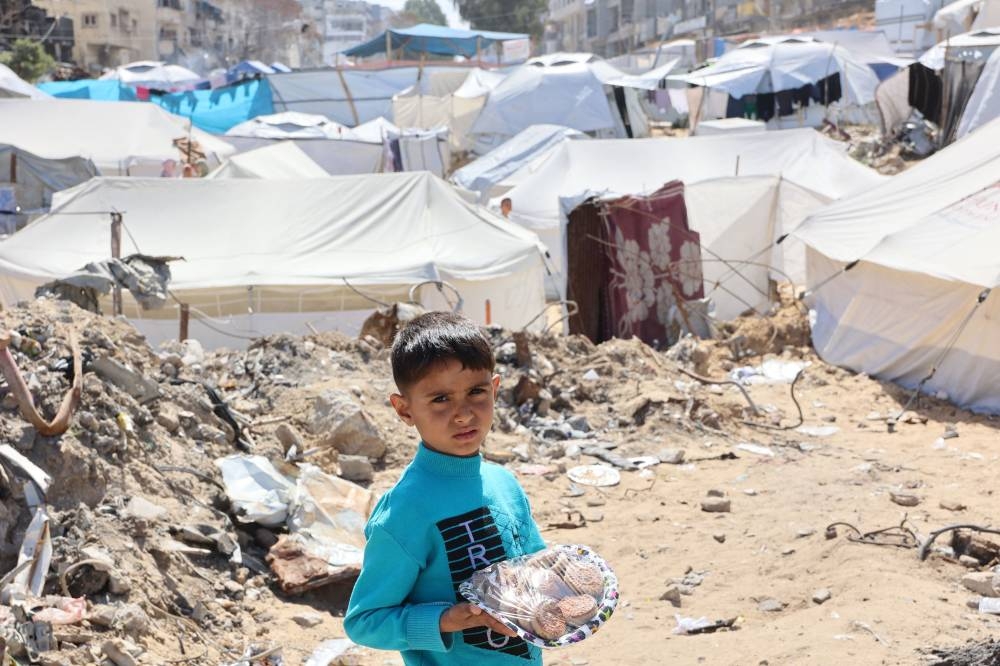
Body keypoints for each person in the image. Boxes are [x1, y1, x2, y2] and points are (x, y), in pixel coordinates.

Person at [345, 312, 546, 665]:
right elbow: (364, 622)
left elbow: (538, 568)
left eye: (476, 392)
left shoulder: (504, 484)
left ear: (495, 390)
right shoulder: (405, 510)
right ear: (404, 410)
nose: (464, 414)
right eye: (440, 399)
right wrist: (443, 620)